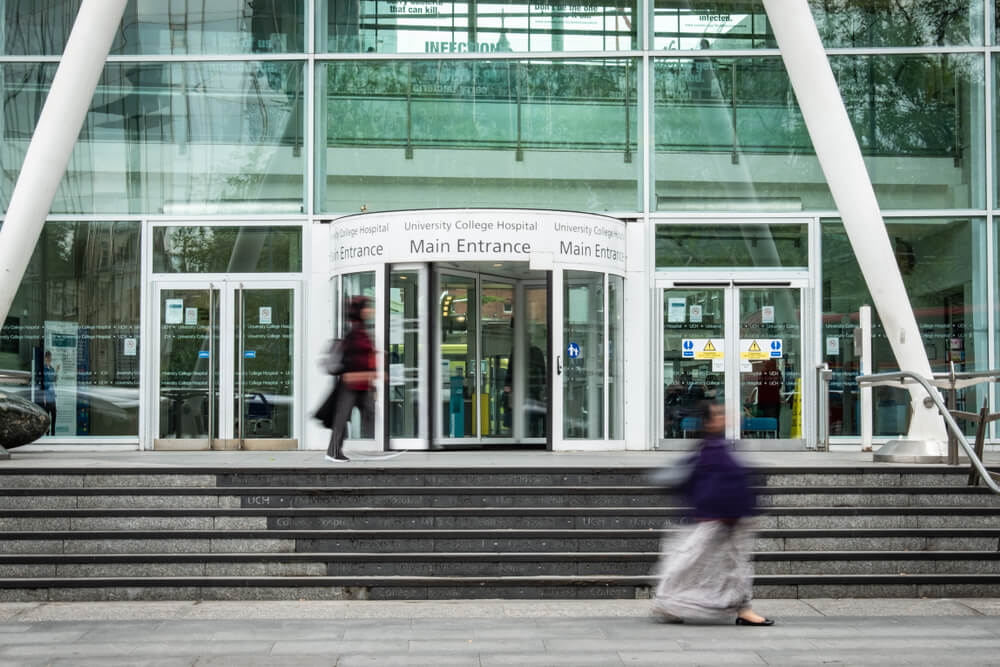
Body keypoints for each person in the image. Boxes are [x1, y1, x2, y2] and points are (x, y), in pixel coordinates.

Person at [650, 400, 774, 626]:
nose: (723, 418)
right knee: (714, 565)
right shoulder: (711, 451)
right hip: (719, 518)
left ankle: (674, 604)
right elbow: (714, 485)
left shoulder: (716, 448)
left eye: (722, 414)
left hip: (723, 517)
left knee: (712, 565)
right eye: (718, 415)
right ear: (708, 422)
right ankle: (739, 609)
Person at [316, 296, 376, 463]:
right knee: (341, 419)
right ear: (361, 311)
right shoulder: (355, 333)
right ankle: (333, 452)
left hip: (362, 385)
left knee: (368, 413)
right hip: (350, 385)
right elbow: (353, 360)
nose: (371, 311)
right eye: (368, 308)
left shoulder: (361, 330)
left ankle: (376, 443)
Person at [41, 350, 58, 436]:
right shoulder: (43, 369)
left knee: (54, 414)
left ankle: (53, 433)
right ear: (45, 358)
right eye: (48, 358)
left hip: (52, 394)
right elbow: (43, 382)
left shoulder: (52, 369)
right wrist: (43, 397)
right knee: (47, 416)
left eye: (50, 358)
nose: (49, 360)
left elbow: (54, 380)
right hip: (46, 394)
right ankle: (47, 434)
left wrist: (57, 371)